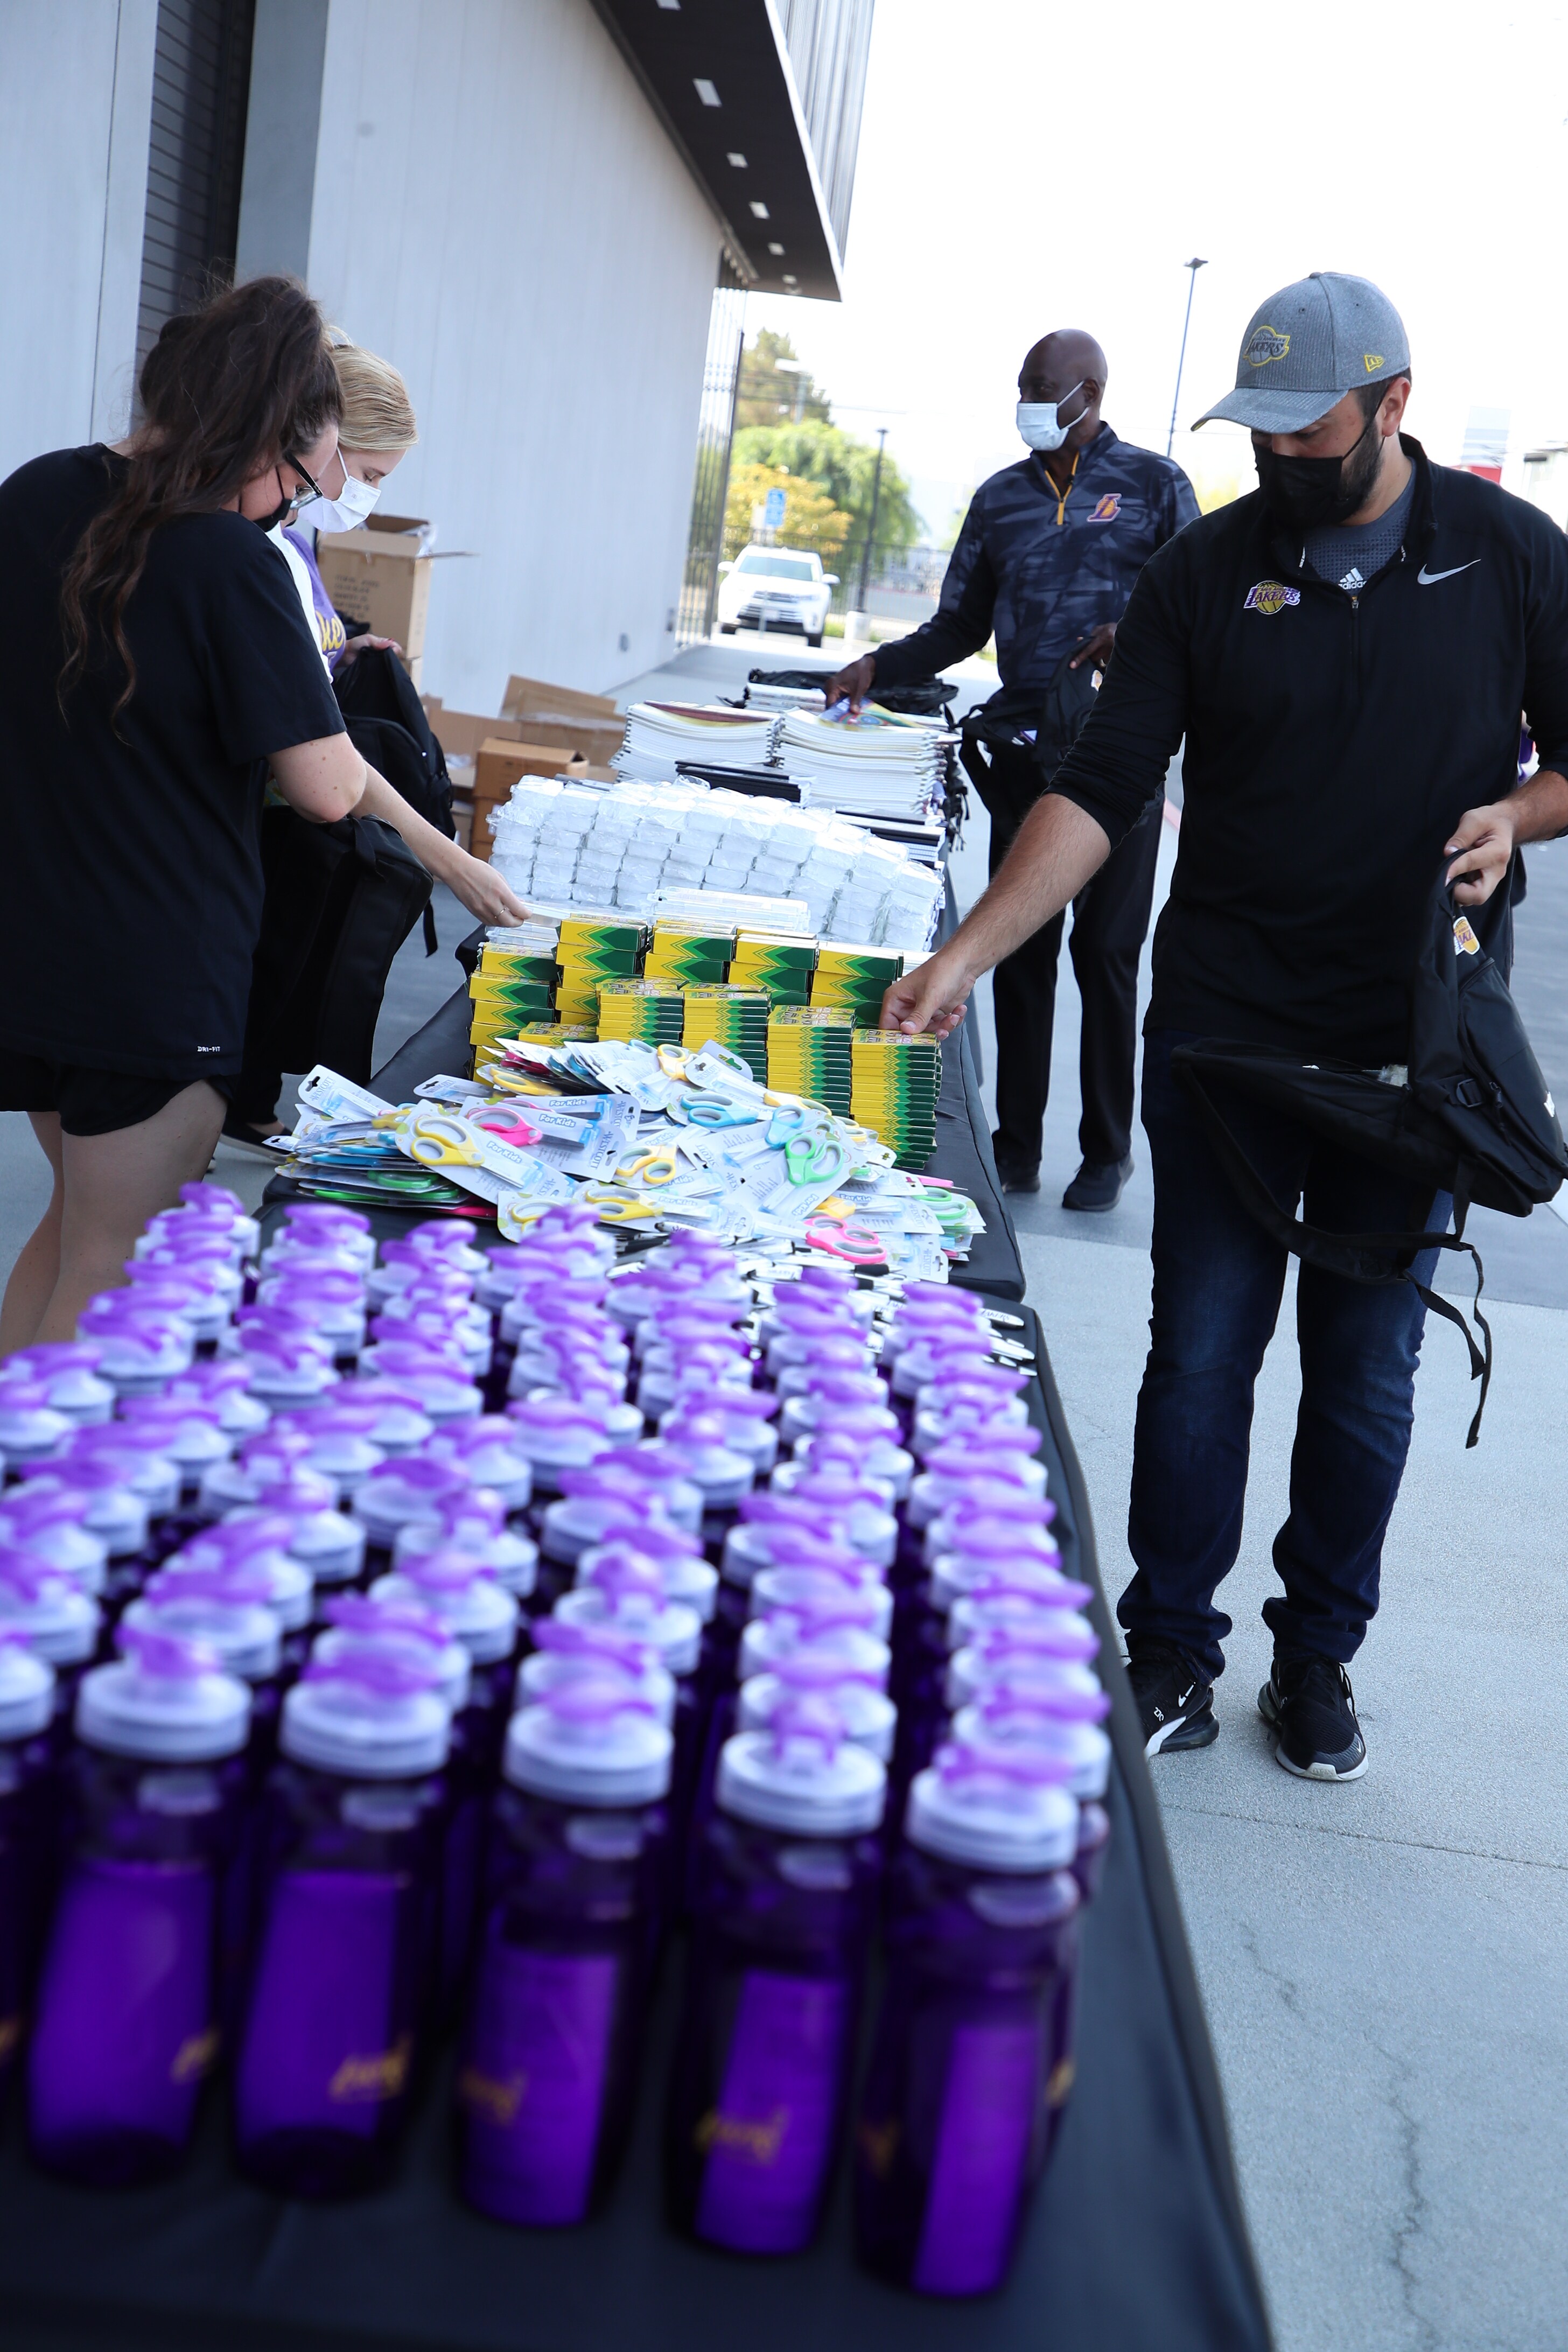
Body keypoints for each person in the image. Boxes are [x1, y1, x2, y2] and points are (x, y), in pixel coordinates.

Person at [880, 273, 1568, 1782]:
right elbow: (1101, 787)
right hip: (1225, 1035)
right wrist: (971, 950)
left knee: (1366, 1373)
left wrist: (1519, 814)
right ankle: (1173, 1646)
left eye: (1308, 435)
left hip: (1407, 1052)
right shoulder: (1203, 568)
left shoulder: (1512, 559)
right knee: (1197, 1357)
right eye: (1257, 436)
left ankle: (1317, 1657)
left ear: (1395, 406)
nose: (1280, 464)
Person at [0, 276, 524, 1354]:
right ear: (266, 435)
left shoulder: (41, 492)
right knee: (115, 1266)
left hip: (31, 937)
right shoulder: (231, 561)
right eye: (317, 473)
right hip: (150, 974)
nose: (309, 501)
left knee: (67, 1232)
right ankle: (43, 1511)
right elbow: (327, 788)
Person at [828, 330, 1199, 1208]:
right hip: (1024, 758)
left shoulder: (1155, 485)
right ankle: (1019, 1141)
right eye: (1023, 386)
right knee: (1019, 950)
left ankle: (1107, 1150)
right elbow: (958, 624)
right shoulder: (999, 499)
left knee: (1108, 954)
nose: (1030, 400)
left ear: (1091, 392)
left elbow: (1198, 610)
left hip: (1125, 760)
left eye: (1043, 387)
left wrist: (1136, 629)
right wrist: (876, 667)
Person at [270, 338, 418, 675]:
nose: (372, 493)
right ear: (326, 439)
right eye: (369, 475)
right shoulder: (261, 551)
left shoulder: (296, 547)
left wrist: (344, 652)